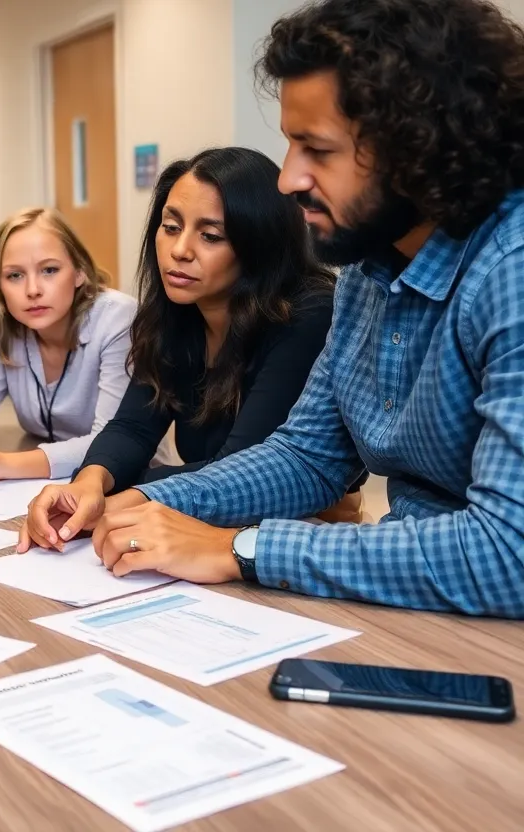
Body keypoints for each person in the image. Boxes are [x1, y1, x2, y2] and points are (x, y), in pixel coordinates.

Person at [63, 0, 524, 618]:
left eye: (317, 151)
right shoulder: (367, 270)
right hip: (419, 603)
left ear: (423, 149)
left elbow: (508, 553)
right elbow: (306, 456)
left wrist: (244, 549)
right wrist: (147, 503)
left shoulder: (510, 269)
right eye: (289, 146)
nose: (287, 179)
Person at [21, 147, 359, 551]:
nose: (180, 250)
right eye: (170, 227)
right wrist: (89, 481)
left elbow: (241, 471)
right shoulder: (177, 311)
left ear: (259, 245)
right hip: (206, 528)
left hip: (290, 536)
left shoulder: (307, 314)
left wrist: (120, 497)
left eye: (210, 236)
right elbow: (133, 426)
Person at [0, 207, 136, 486]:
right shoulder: (4, 331)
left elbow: (111, 442)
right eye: (14, 275)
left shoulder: (117, 318)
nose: (32, 290)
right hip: (51, 483)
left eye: (49, 270)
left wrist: (1, 463)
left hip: (129, 481)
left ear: (79, 273)